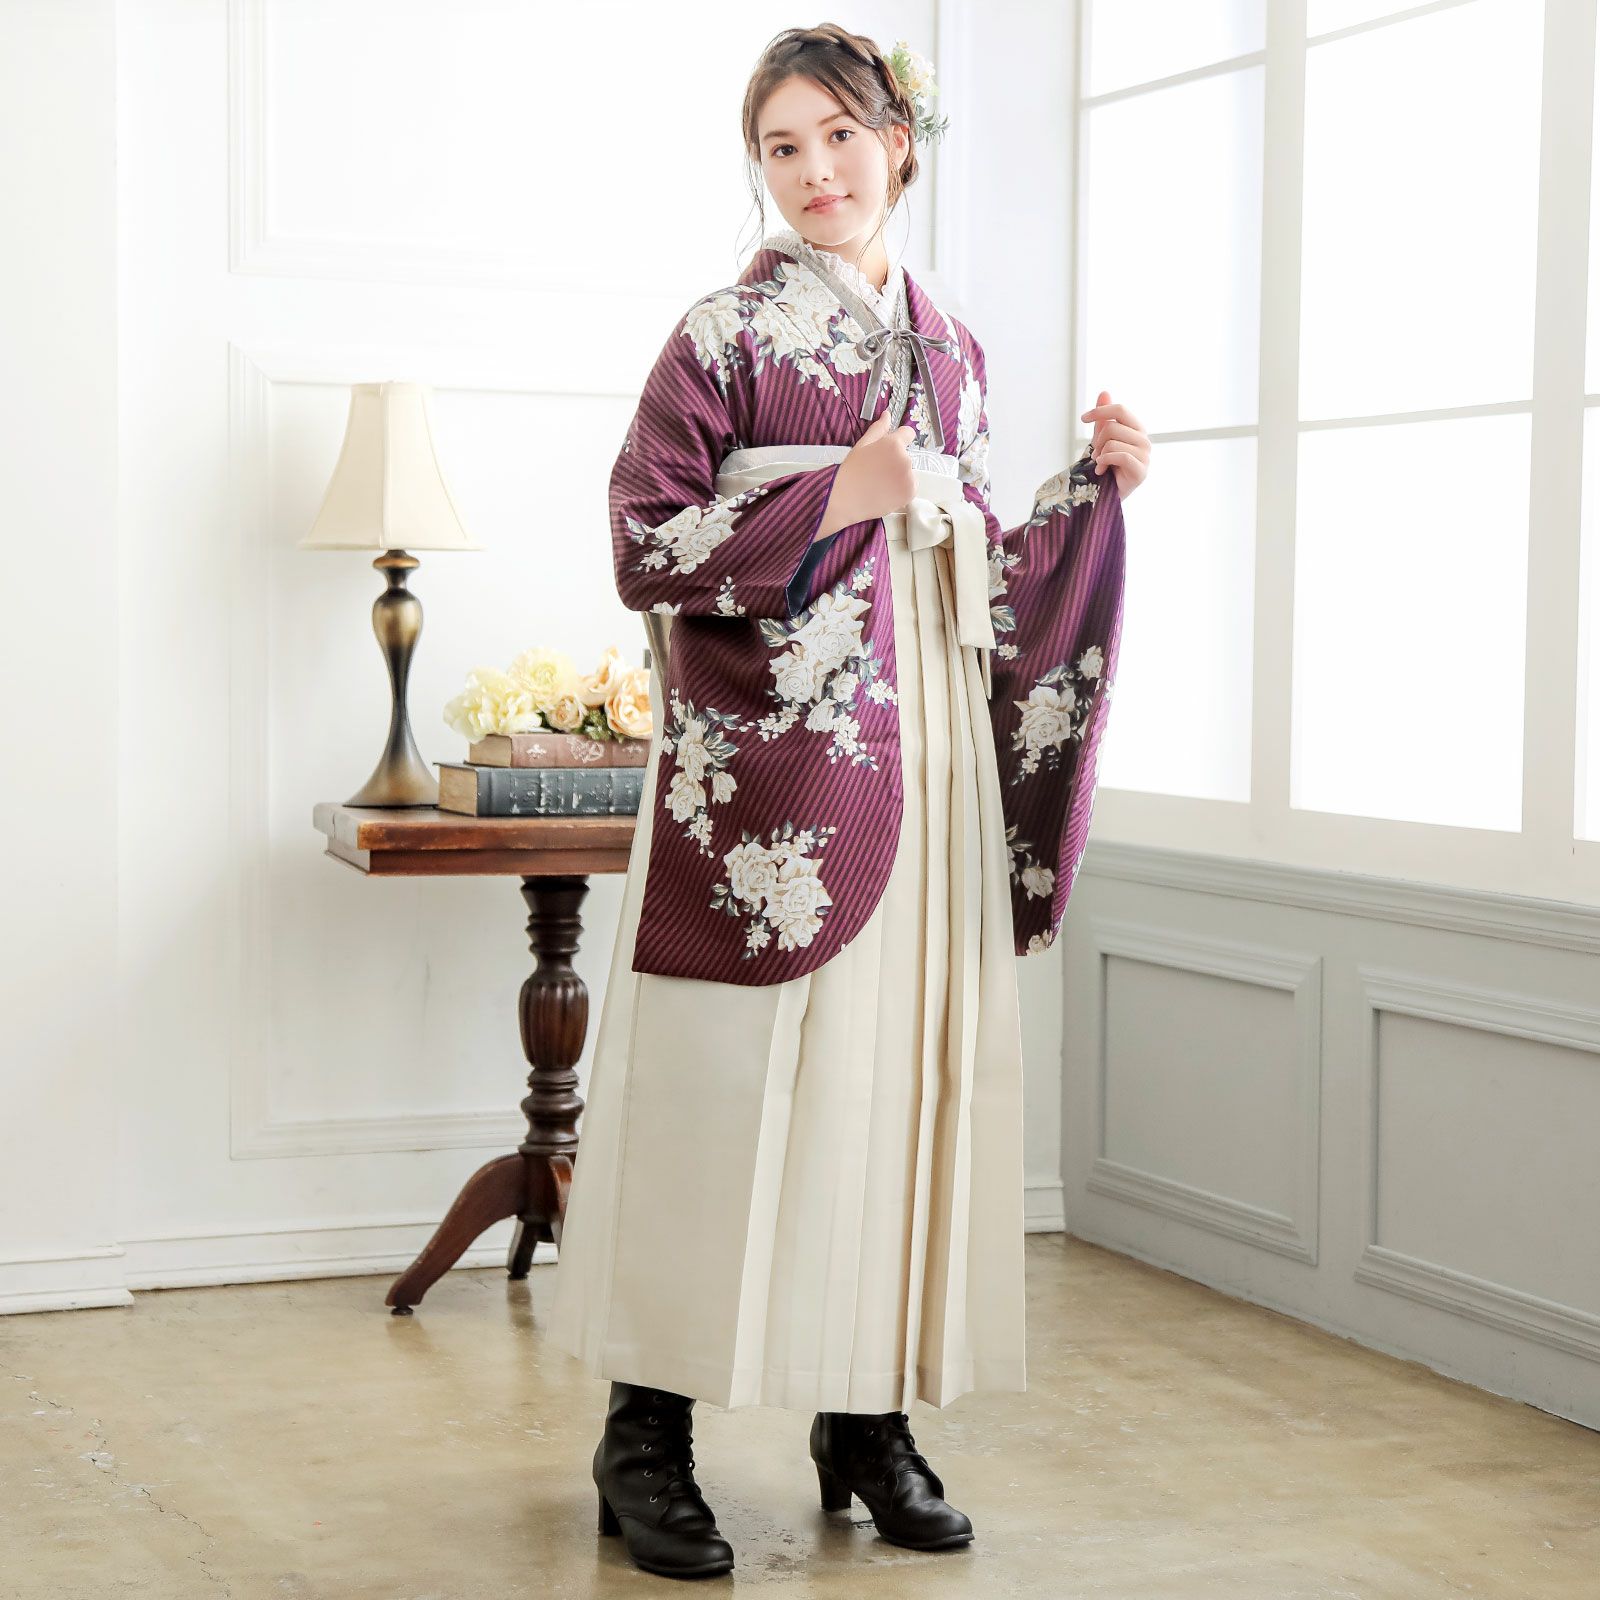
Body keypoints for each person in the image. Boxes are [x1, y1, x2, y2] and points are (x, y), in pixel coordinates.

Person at [545, 21, 1148, 1580]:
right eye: (782, 147)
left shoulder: (954, 351)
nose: (815, 171)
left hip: (928, 753)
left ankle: (866, 1415)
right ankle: (644, 1435)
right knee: (721, 1088)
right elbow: (645, 545)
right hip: (774, 778)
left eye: (838, 137)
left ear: (899, 144)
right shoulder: (721, 334)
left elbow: (983, 568)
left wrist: (1089, 500)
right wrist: (836, 496)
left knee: (903, 1085)